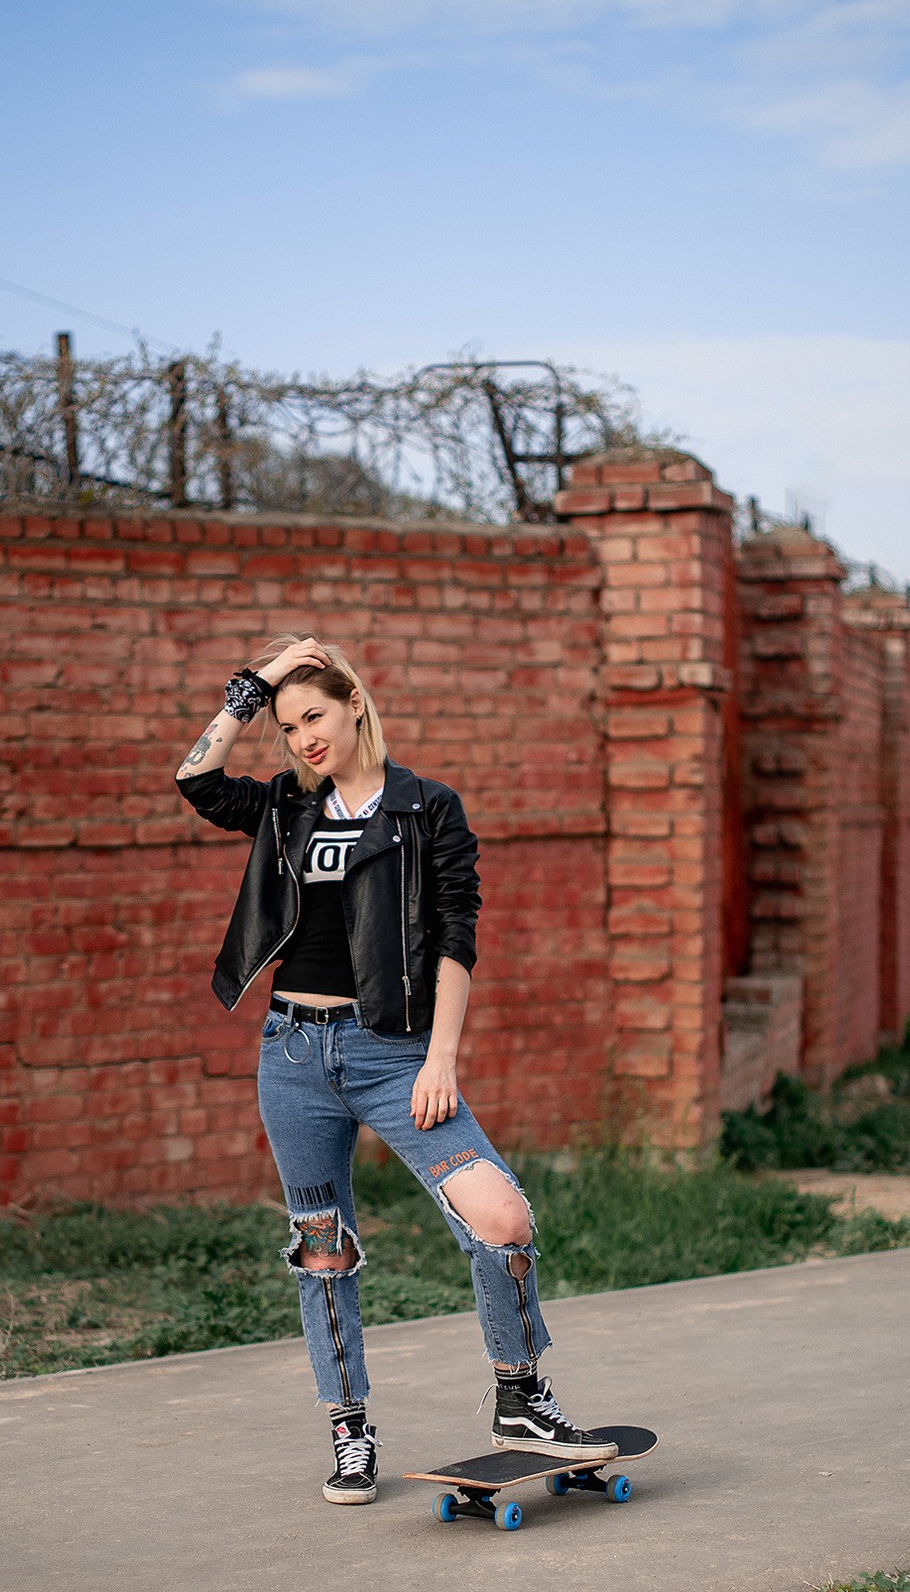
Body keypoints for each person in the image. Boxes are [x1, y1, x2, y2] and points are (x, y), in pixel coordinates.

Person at [174, 635, 615, 1505]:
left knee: (500, 1215)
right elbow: (196, 779)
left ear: (355, 706)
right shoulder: (283, 807)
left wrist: (439, 1058)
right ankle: (349, 1430)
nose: (301, 737)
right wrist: (253, 685)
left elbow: (457, 933)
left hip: (393, 1057)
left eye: (315, 716)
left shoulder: (427, 809)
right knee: (321, 1249)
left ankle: (520, 1395)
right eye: (288, 724)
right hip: (294, 1056)